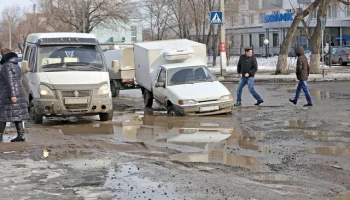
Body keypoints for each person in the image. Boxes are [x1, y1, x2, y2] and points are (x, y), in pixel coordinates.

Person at [0, 48, 29, 142]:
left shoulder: (6, 66)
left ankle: (0, 136)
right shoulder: (15, 65)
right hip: (18, 92)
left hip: (9, 94)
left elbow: (10, 81)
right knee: (17, 114)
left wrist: (12, 94)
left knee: (3, 115)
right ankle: (21, 135)